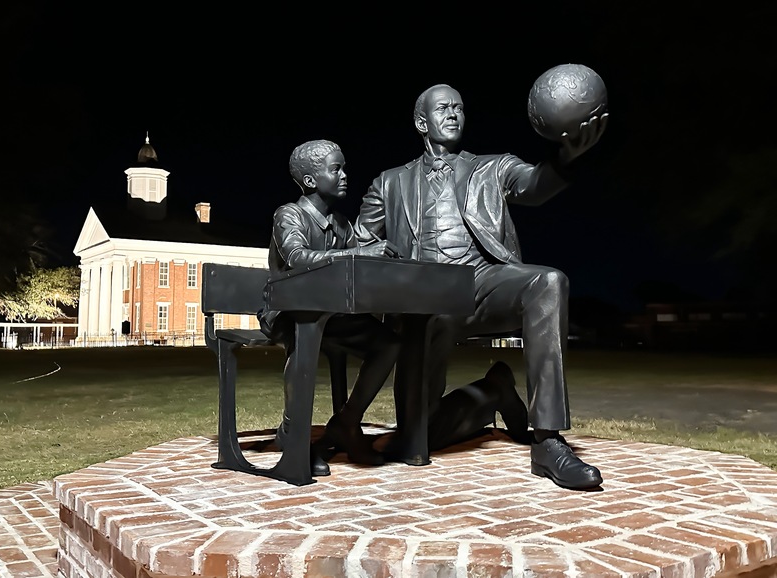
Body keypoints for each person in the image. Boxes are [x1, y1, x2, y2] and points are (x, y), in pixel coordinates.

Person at [355, 84, 609, 490]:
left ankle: (547, 441)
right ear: (422, 122)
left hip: (483, 283)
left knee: (548, 281)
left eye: (459, 107)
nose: (454, 113)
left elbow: (535, 183)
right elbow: (360, 246)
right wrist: (386, 259)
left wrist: (565, 158)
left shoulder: (493, 167)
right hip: (423, 302)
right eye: (443, 108)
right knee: (416, 440)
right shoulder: (387, 184)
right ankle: (493, 390)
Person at [258, 139, 402, 477]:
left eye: (344, 167)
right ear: (310, 181)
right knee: (304, 333)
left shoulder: (342, 225)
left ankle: (346, 423)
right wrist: (360, 254)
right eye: (335, 169)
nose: (344, 175)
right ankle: (293, 433)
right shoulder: (288, 215)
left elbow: (360, 264)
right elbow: (297, 258)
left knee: (388, 343)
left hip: (331, 315)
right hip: (287, 313)